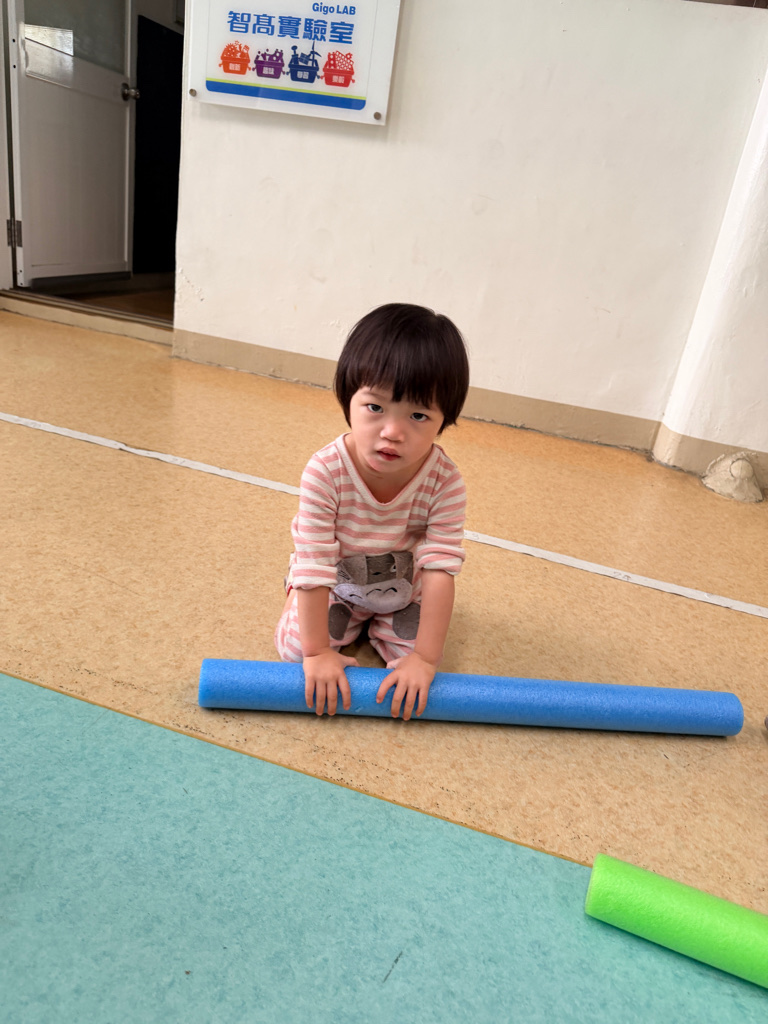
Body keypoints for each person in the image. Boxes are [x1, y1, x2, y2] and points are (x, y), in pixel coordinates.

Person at [274, 302, 470, 720]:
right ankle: (300, 601)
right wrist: (317, 652)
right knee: (295, 653)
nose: (393, 432)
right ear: (348, 398)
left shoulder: (445, 481)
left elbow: (440, 569)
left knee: (417, 664)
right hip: (336, 583)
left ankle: (381, 625)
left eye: (418, 415)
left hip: (402, 590)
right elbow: (315, 562)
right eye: (375, 408)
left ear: (444, 420)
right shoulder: (325, 471)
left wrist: (426, 660)